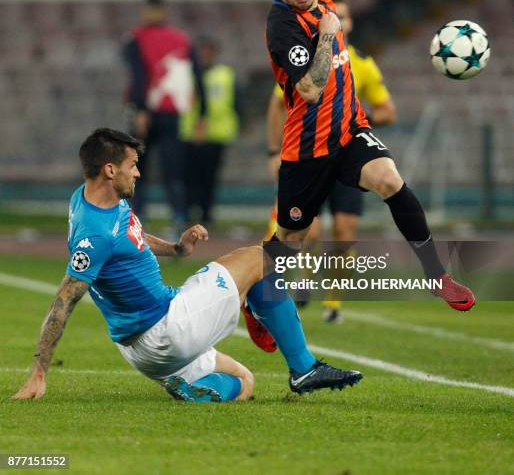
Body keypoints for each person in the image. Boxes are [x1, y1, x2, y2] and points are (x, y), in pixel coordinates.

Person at [13, 128, 363, 403]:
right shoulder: (95, 233)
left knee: (243, 384)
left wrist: (177, 249)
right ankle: (302, 367)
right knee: (261, 258)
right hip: (166, 326)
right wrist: (39, 373)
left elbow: (131, 236)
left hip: (143, 351)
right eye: (132, 165)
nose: (137, 172)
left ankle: (190, 384)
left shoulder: (89, 199)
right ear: (109, 169)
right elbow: (63, 301)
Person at [259, 0, 475, 320]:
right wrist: (327, 35)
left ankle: (436, 274)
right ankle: (258, 304)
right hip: (307, 148)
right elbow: (309, 89)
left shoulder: (326, 5)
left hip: (349, 132)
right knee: (290, 240)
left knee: (390, 181)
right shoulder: (282, 26)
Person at [266, 0, 397, 323]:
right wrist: (273, 151)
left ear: (348, 23)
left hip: (347, 153)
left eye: (347, 16)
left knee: (344, 230)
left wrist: (351, 113)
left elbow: (387, 111)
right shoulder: (307, 56)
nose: (342, 20)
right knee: (308, 232)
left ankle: (334, 302)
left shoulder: (364, 64)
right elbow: (276, 105)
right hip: (310, 154)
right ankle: (304, 282)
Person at [122, 0, 206, 232]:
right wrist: (203, 114)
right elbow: (198, 77)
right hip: (171, 114)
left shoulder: (135, 38)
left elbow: (138, 76)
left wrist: (139, 109)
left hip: (149, 112)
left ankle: (137, 221)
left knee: (138, 168)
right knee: (173, 170)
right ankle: (177, 219)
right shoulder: (182, 39)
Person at [181, 37, 240, 225]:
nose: (205, 55)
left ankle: (207, 214)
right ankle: (189, 212)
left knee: (209, 177)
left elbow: (237, 101)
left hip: (216, 133)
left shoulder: (225, 74)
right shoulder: (187, 75)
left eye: (209, 51)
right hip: (190, 133)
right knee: (189, 176)